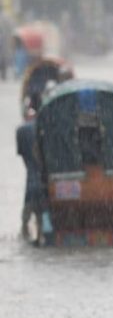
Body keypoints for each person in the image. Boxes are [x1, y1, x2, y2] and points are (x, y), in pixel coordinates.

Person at [17, 97, 43, 237]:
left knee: (28, 205)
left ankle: (25, 229)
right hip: (43, 177)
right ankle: (40, 229)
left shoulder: (21, 131)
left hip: (32, 175)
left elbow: (23, 156)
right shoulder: (43, 127)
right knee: (41, 209)